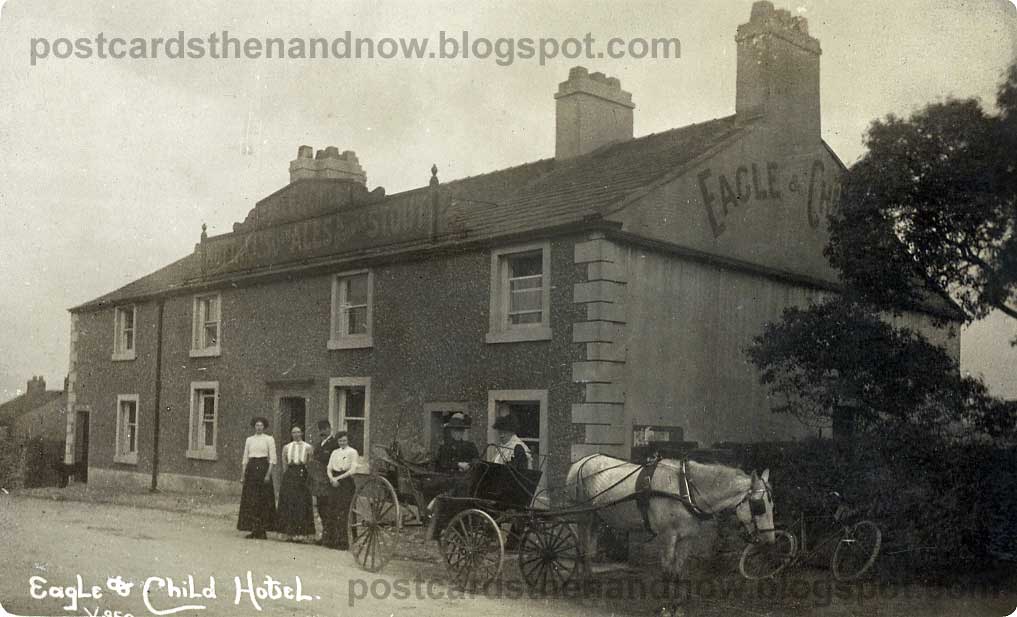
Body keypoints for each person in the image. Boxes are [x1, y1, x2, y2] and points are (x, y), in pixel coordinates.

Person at [237, 416, 277, 539]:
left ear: (264, 427)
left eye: (261, 425)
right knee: (251, 500)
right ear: (254, 426)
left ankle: (263, 530)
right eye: (257, 425)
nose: (259, 427)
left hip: (263, 468)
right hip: (252, 469)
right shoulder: (249, 440)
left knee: (263, 500)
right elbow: (245, 458)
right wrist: (243, 474)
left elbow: (273, 459)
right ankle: (254, 529)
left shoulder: (269, 439)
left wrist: (268, 474)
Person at [276, 426, 316, 542]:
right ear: (291, 434)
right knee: (288, 502)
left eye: (298, 432)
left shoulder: (308, 447)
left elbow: (310, 462)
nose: (296, 434)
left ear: (302, 433)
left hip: (302, 474)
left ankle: (301, 534)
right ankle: (287, 533)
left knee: (301, 503)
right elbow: (284, 463)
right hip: (290, 474)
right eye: (294, 432)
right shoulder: (287, 447)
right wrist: (287, 475)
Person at [326, 431, 359, 550]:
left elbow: (352, 470)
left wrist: (337, 478)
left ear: (348, 440)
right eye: (340, 441)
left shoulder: (353, 452)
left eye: (344, 440)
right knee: (333, 509)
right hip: (334, 482)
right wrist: (331, 478)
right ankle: (332, 540)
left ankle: (344, 542)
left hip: (346, 483)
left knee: (344, 510)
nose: (342, 443)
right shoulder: (335, 452)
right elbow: (329, 467)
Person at [310, 420, 340, 547]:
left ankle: (330, 537)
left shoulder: (334, 444)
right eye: (320, 429)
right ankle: (324, 535)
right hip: (318, 481)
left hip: (328, 480)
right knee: (321, 508)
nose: (322, 431)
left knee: (329, 508)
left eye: (325, 429)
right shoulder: (318, 444)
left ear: (329, 429)